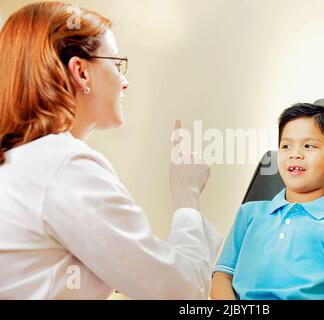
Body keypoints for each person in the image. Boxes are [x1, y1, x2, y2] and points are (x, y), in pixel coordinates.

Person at [0, 2, 221, 300]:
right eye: (117, 64)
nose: (125, 82)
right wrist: (187, 196)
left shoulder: (19, 162)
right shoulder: (66, 166)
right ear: (80, 71)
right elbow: (180, 292)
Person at [211, 103, 324, 300]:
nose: (295, 154)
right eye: (286, 146)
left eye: (308, 146)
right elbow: (221, 277)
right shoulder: (249, 214)